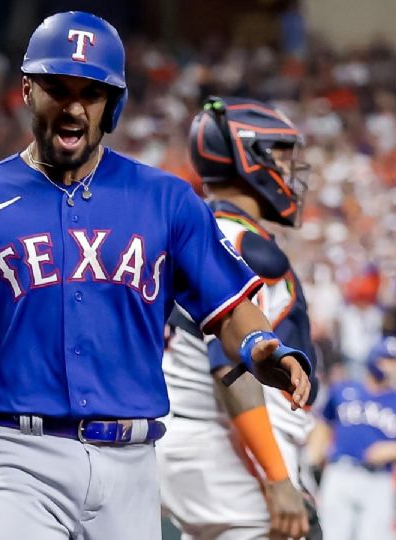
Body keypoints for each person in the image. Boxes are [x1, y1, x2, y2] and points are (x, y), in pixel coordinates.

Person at [0, 11, 312, 539]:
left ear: (114, 103)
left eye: (92, 92)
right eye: (58, 88)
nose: (74, 106)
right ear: (28, 90)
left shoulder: (166, 199)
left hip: (131, 461)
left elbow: (229, 308)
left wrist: (261, 344)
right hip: (17, 455)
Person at [158, 96, 321, 540]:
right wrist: (276, 477)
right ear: (250, 157)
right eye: (281, 154)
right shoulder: (237, 241)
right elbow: (230, 365)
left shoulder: (202, 229)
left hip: (197, 442)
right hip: (229, 444)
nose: (291, 170)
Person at [311, 337, 396, 540]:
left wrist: (392, 449)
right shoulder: (345, 389)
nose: (392, 367)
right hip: (341, 471)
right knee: (332, 535)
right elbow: (324, 421)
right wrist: (313, 456)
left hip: (378, 479)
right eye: (389, 360)